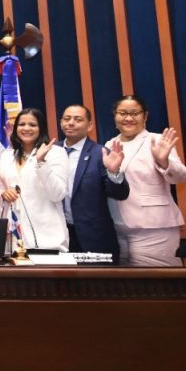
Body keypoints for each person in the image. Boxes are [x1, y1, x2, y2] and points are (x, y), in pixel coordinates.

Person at [105, 95, 186, 266]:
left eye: (135, 113)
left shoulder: (157, 140)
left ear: (145, 116)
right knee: (128, 289)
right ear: (115, 116)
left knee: (155, 286)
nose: (128, 118)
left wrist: (163, 161)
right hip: (118, 228)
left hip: (153, 228)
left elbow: (180, 176)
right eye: (122, 113)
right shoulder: (109, 144)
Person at [58, 104, 130, 259]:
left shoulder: (100, 153)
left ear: (89, 125)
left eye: (78, 119)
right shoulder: (51, 152)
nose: (71, 123)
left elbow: (120, 193)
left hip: (94, 238)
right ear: (61, 123)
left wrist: (113, 172)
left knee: (97, 284)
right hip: (58, 237)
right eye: (67, 119)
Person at [0, 108, 69, 252]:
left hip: (47, 237)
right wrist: (4, 194)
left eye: (32, 125)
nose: (26, 128)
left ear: (41, 128)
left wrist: (41, 163)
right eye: (22, 124)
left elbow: (57, 194)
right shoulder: (7, 156)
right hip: (13, 238)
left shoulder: (55, 153)